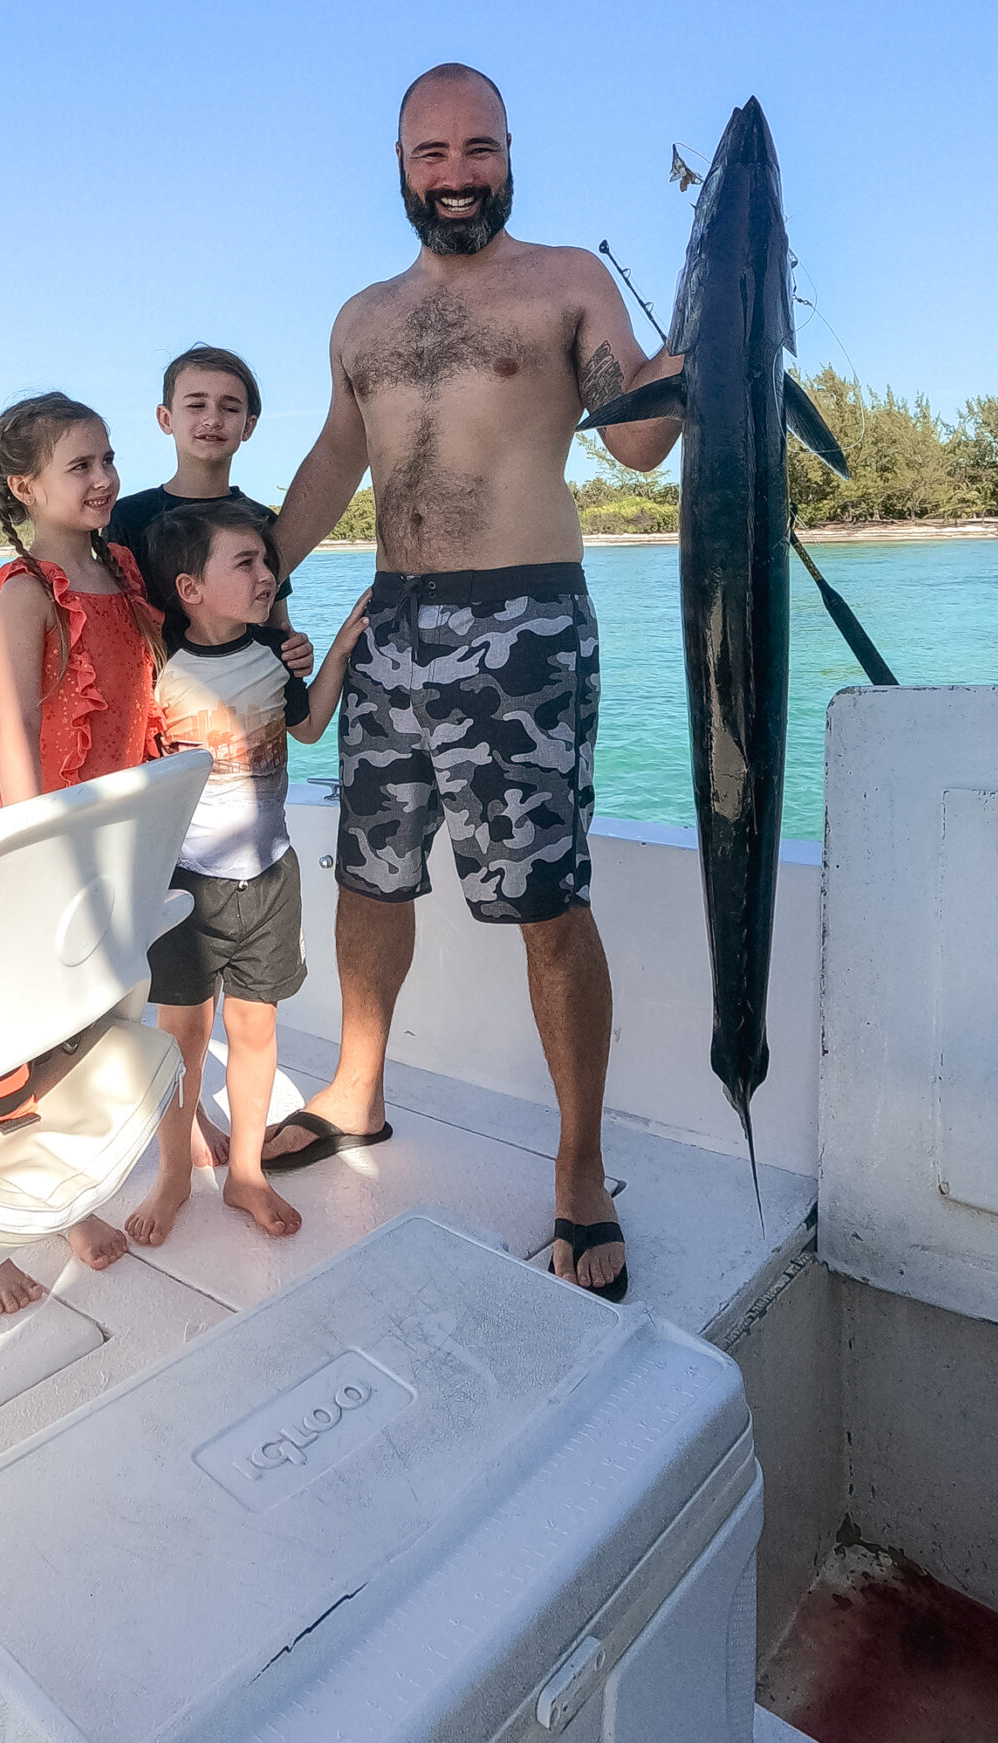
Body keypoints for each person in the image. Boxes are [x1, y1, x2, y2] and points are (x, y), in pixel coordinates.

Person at [262, 64, 684, 1302]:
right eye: (431, 153)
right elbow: (335, 462)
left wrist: (685, 355)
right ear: (398, 165)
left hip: (526, 625)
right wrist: (236, 584)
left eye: (478, 148)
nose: (455, 174)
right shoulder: (361, 318)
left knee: (547, 903)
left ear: (511, 153)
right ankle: (354, 1091)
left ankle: (580, 1168)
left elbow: (642, 446)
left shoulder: (565, 282)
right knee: (367, 877)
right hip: (387, 624)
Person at [0, 389, 170, 1315]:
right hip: (40, 848)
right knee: (5, 1051)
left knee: (95, 1035)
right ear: (23, 486)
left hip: (115, 843)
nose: (105, 478)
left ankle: (65, 1204)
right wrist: (42, 862)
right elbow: (17, 741)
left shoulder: (121, 569)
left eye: (108, 459)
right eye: (79, 465)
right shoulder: (26, 594)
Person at [125, 504, 368, 1248]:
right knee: (183, 1039)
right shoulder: (158, 665)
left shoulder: (275, 651)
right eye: (248, 565)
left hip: (271, 877)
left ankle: (248, 1174)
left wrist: (337, 655)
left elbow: (308, 726)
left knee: (256, 1032)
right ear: (190, 588)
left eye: (270, 563)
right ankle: (173, 1174)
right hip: (187, 886)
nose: (268, 577)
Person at [106, 342, 314, 675]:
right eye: (196, 405)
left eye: (230, 408)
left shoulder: (262, 521)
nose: (212, 419)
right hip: (156, 701)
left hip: (246, 704)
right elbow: (115, 622)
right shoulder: (127, 517)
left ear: (248, 426)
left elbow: (276, 624)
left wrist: (296, 651)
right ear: (166, 418)